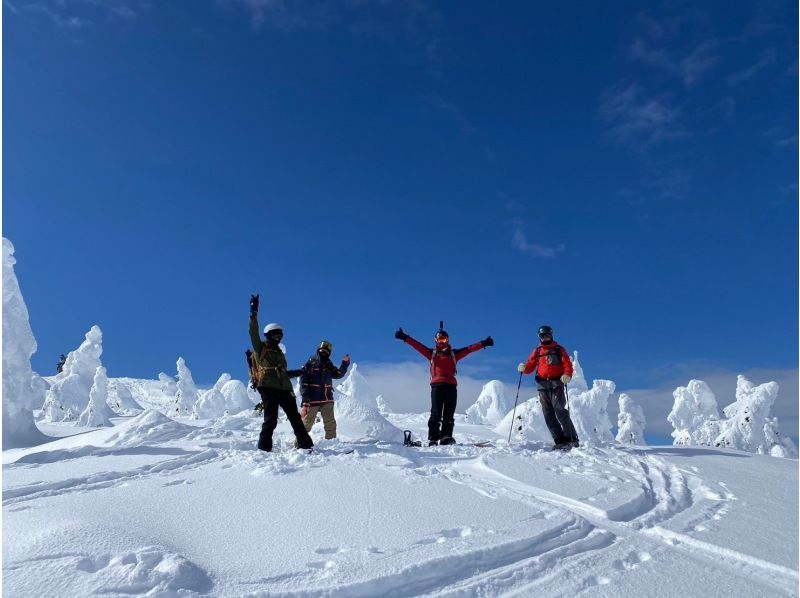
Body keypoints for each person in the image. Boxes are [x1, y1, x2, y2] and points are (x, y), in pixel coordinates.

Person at [395, 322, 493, 445]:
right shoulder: (432, 353)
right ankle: (433, 438)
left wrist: (483, 343)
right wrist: (405, 337)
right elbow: (417, 346)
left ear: (448, 340)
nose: (442, 342)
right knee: (436, 412)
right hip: (437, 386)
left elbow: (469, 349)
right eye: (440, 339)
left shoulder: (454, 354)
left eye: (444, 339)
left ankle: (446, 437)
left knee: (449, 413)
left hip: (451, 387)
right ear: (435, 340)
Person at [248, 294, 313, 452]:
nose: (279, 337)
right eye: (276, 334)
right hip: (268, 387)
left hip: (284, 389)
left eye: (280, 334)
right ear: (269, 335)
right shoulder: (261, 348)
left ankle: (305, 445)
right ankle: (264, 449)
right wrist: (254, 311)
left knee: (295, 418)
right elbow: (253, 332)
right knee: (271, 419)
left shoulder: (279, 353)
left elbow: (283, 373)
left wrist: (301, 371)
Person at [517, 325, 579, 450]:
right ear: (539, 337)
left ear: (551, 335)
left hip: (557, 383)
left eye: (548, 335)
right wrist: (524, 369)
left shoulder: (558, 349)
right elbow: (530, 366)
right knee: (548, 414)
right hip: (542, 385)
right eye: (543, 336)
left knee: (560, 409)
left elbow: (567, 363)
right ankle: (560, 440)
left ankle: (572, 439)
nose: (546, 338)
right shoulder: (538, 351)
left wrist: (567, 374)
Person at [296, 341, 350, 440]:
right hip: (312, 399)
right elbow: (304, 383)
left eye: (326, 351)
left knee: (330, 423)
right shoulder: (310, 363)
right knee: (307, 423)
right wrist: (305, 400)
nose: (324, 353)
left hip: (327, 398)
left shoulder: (328, 364)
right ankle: (300, 443)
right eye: (322, 351)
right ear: (318, 350)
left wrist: (345, 364)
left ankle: (331, 443)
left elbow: (338, 374)